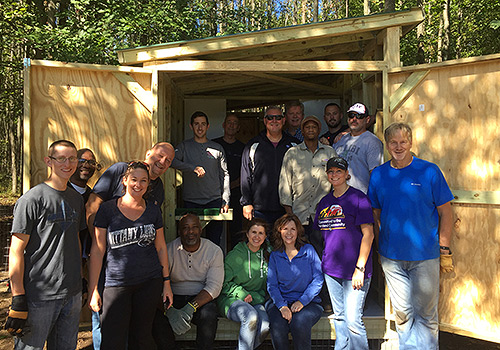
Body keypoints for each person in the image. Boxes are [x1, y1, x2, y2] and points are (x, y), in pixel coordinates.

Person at [368, 123, 454, 349]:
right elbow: (376, 214)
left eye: (403, 142)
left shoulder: (429, 171)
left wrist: (444, 248)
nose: (398, 147)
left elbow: (446, 211)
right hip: (392, 257)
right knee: (403, 313)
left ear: (411, 143)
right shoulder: (378, 175)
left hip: (425, 255)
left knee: (425, 314)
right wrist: (380, 249)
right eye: (393, 143)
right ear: (387, 145)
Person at [85, 142, 175, 349]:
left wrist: (166, 281)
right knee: (107, 329)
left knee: (141, 334)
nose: (162, 162)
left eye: (168, 161)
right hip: (110, 270)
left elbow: (157, 241)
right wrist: (105, 245)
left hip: (146, 277)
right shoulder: (118, 170)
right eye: (160, 156)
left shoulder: (157, 192)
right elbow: (92, 207)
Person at [6, 140, 85, 349]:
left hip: (71, 293)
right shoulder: (32, 199)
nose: (67, 164)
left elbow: (74, 238)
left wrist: (80, 279)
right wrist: (18, 297)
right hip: (39, 296)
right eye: (61, 159)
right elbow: (16, 251)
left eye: (72, 158)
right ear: (48, 161)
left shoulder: (76, 199)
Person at [313, 157, 374, 350]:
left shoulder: (359, 198)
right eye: (331, 171)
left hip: (355, 270)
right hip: (331, 269)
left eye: (339, 171)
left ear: (347, 174)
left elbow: (369, 234)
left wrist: (360, 268)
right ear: (327, 175)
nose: (334, 175)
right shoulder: (324, 202)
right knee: (339, 317)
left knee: (353, 320)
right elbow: (323, 236)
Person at [153, 213, 224, 350]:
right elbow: (156, 283)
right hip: (172, 298)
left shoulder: (213, 251)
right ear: (179, 232)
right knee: (155, 317)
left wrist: (190, 307)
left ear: (200, 230)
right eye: (185, 228)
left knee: (209, 313)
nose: (190, 232)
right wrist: (170, 311)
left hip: (200, 299)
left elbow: (214, 286)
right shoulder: (168, 250)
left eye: (194, 227)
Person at [279, 115, 337, 252]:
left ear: (319, 130)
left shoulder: (329, 152)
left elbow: (337, 182)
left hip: (323, 215)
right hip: (299, 214)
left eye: (314, 127)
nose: (311, 129)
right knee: (299, 254)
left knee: (322, 252)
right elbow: (284, 185)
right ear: (302, 131)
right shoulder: (292, 153)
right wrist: (290, 216)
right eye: (307, 127)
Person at [266, 214, 324, 350]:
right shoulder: (275, 255)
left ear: (298, 231)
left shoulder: (308, 250)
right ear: (279, 231)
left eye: (293, 229)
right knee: (277, 325)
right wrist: (282, 306)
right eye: (285, 228)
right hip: (281, 302)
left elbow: (318, 279)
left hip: (309, 303)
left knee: (299, 322)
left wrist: (302, 301)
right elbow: (272, 285)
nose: (289, 233)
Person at [172, 111, 230, 246]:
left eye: (203, 124)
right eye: (196, 124)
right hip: (191, 201)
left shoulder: (217, 148)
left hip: (214, 201)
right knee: (190, 241)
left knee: (214, 242)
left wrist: (225, 199)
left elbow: (225, 174)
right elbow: (171, 161)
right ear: (191, 126)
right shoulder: (184, 147)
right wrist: (191, 168)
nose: (200, 127)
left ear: (208, 126)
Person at [217, 218, 271, 350]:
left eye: (260, 233)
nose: (256, 237)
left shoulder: (267, 255)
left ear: (265, 236)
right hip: (231, 299)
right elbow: (222, 283)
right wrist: (241, 293)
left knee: (265, 326)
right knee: (251, 317)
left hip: (255, 299)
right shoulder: (235, 255)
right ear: (247, 234)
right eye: (253, 232)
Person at [240, 106, 298, 226]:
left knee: (285, 243)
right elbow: (246, 175)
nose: (274, 121)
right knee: (260, 243)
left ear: (283, 120)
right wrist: (246, 203)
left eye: (278, 117)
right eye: (270, 118)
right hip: (260, 208)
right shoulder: (253, 145)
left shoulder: (294, 145)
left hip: (287, 208)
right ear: (265, 121)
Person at [334, 103, 383, 194]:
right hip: (339, 197)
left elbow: (375, 175)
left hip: (360, 197)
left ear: (367, 119)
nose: (354, 119)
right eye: (351, 115)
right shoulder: (341, 139)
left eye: (359, 116)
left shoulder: (372, 142)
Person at [213, 113, 245, 245]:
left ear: (238, 127)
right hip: (215, 194)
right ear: (224, 125)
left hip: (237, 193)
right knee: (215, 230)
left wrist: (232, 185)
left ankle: (234, 260)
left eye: (235, 123)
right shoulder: (214, 145)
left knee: (236, 230)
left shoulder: (243, 148)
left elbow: (246, 171)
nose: (232, 125)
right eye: (229, 122)